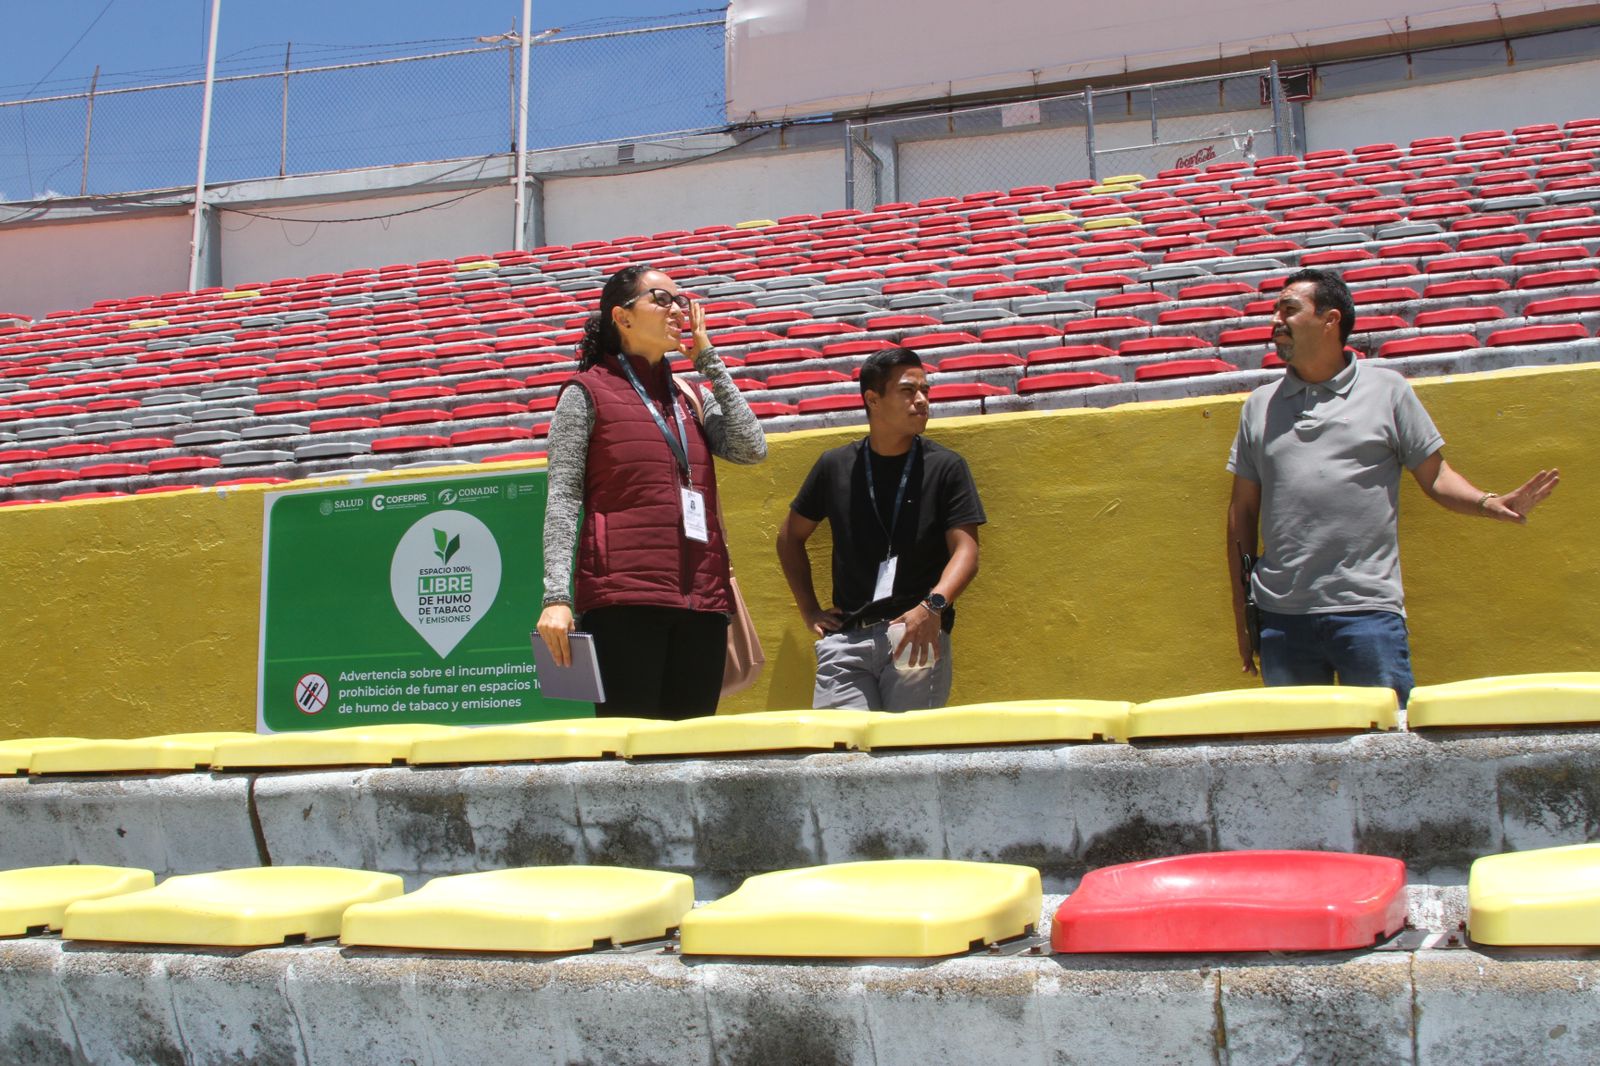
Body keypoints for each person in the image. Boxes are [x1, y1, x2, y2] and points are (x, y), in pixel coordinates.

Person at [1226, 267, 1559, 706]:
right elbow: (1242, 512)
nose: (1275, 320)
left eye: (1288, 309)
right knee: (1295, 744)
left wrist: (1488, 502)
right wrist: (1244, 614)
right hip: (1282, 620)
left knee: (1386, 738)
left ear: (1330, 320)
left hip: (1367, 614)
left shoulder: (1388, 390)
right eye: (1275, 310)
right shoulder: (1258, 406)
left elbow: (1436, 476)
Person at [536, 265, 767, 719]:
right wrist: (556, 597)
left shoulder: (690, 396)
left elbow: (751, 448)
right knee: (630, 750)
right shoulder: (585, 392)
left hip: (703, 602)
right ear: (622, 317)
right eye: (661, 299)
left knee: (690, 750)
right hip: (623, 600)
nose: (678, 310)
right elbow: (562, 499)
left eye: (681, 300)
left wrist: (709, 362)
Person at [776, 347, 985, 710]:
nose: (922, 400)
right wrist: (809, 610)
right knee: (840, 744)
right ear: (873, 399)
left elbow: (967, 551)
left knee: (908, 744)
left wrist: (932, 607)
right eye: (908, 390)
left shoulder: (945, 466)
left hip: (914, 633)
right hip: (846, 639)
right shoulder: (835, 465)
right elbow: (790, 538)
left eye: (925, 390)